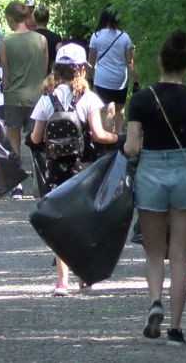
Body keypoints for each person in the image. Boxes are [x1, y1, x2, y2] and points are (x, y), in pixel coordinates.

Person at [123, 30, 186, 347]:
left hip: (151, 174)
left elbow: (132, 147)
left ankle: (155, 301)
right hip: (185, 173)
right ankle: (175, 329)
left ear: (160, 61)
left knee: (154, 252)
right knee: (179, 256)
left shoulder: (142, 99)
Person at [27, 43, 120, 296]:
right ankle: (84, 276)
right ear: (81, 70)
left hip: (56, 169)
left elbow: (35, 139)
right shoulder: (89, 99)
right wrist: (119, 139)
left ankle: (62, 282)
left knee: (61, 222)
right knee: (84, 220)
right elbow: (99, 136)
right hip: (85, 168)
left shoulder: (47, 99)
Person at [0, 0, 49, 200]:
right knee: (37, 141)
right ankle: (41, 183)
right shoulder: (41, 40)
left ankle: (17, 186)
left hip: (14, 96)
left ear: (11, 19)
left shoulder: (6, 43)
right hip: (37, 96)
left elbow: (6, 73)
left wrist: (6, 92)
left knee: (14, 141)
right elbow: (45, 70)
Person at [88, 7, 135, 133]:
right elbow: (130, 62)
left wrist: (89, 78)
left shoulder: (96, 36)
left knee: (108, 110)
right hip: (120, 79)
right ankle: (119, 139)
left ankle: (109, 143)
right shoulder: (124, 37)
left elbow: (91, 61)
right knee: (120, 111)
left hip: (102, 80)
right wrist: (135, 80)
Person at [32, 7, 63, 74]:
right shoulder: (56, 37)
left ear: (34, 19)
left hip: (33, 73)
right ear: (48, 19)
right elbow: (60, 56)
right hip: (51, 74)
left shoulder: (29, 37)